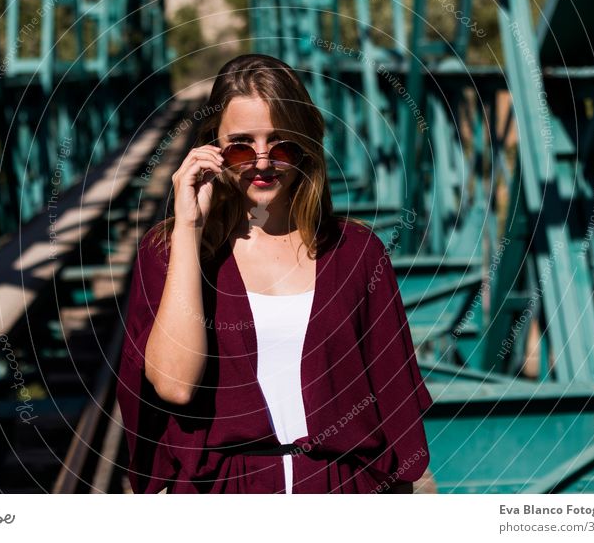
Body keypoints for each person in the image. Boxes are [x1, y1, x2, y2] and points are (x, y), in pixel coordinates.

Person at [116, 53, 433, 494]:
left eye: (281, 145)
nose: (262, 163)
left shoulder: (357, 253)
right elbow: (173, 385)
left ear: (305, 148)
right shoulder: (170, 252)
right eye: (242, 146)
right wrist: (189, 227)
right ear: (212, 148)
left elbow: (394, 401)